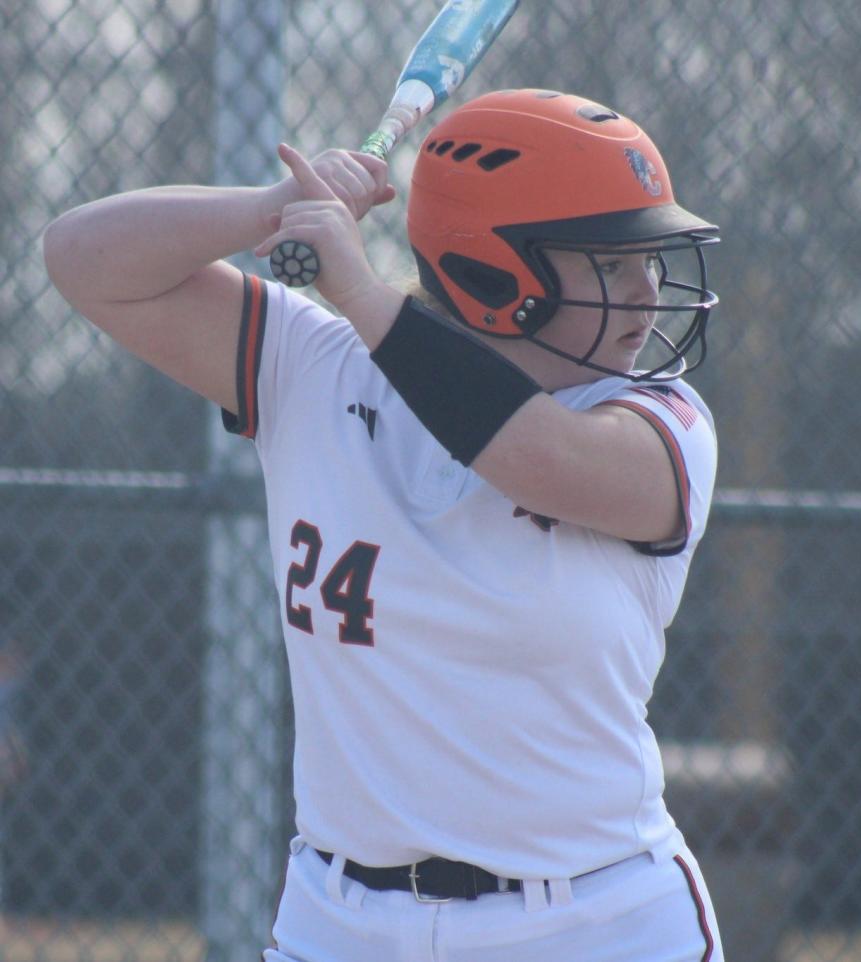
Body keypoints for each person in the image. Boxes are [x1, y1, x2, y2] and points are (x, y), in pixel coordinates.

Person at [44, 88, 724, 962]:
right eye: (611, 261)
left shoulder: (659, 421)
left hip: (591, 923)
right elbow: (80, 258)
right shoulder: (315, 368)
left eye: (649, 256)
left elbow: (535, 459)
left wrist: (359, 290)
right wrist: (272, 206)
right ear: (494, 271)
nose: (648, 288)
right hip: (342, 920)